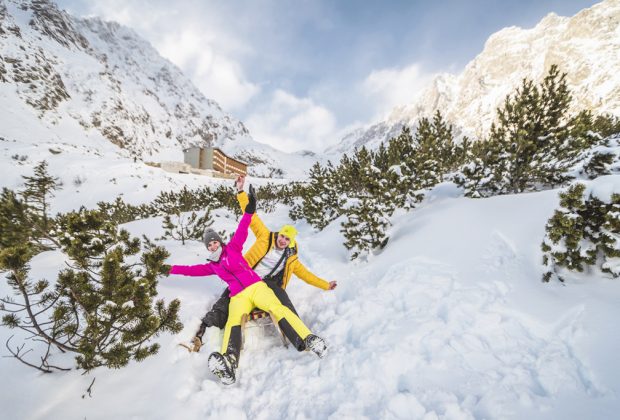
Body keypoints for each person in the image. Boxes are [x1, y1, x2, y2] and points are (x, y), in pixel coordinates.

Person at [168, 186, 327, 385]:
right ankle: (229, 362)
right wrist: (169, 268)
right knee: (233, 320)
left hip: (257, 287)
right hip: (238, 296)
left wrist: (249, 209)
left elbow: (244, 227)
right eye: (209, 245)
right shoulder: (212, 266)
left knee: (277, 307)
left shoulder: (233, 248)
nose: (213, 246)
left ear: (220, 242)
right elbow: (190, 270)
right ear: (207, 248)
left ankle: (308, 339)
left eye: (215, 242)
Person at [191, 175, 337, 349]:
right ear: (279, 234)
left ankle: (302, 339)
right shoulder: (265, 237)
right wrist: (240, 192)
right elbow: (251, 216)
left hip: (267, 284)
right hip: (245, 277)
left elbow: (306, 276)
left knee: (283, 300)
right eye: (282, 236)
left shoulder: (291, 258)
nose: (283, 241)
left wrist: (326, 285)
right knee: (225, 302)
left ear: (290, 242)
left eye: (287, 239)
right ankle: (208, 332)